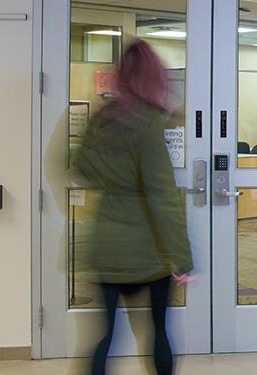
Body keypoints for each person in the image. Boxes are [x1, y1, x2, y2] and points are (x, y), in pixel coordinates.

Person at [72, 40, 194, 375]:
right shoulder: (150, 123)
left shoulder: (101, 119)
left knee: (105, 335)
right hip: (147, 250)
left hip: (105, 244)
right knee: (157, 331)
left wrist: (115, 181)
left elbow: (80, 167)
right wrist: (182, 258)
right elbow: (162, 195)